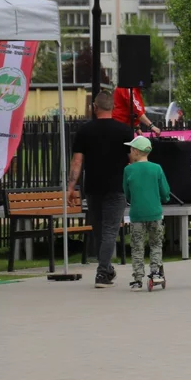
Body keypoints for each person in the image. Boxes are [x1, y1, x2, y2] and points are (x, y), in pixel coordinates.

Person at [67, 92, 135, 289]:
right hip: (117, 187)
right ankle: (103, 273)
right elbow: (133, 159)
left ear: (94, 108)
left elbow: (77, 161)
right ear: (113, 108)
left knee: (99, 230)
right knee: (109, 231)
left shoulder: (85, 131)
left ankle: (106, 268)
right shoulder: (125, 131)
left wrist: (71, 187)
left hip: (94, 188)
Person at [122, 135, 170, 290]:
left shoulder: (128, 169)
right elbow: (165, 191)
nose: (129, 151)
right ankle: (155, 272)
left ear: (136, 151)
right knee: (156, 243)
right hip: (155, 213)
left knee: (137, 245)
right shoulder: (157, 168)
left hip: (136, 214)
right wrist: (164, 198)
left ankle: (137, 278)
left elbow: (126, 193)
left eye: (130, 148)